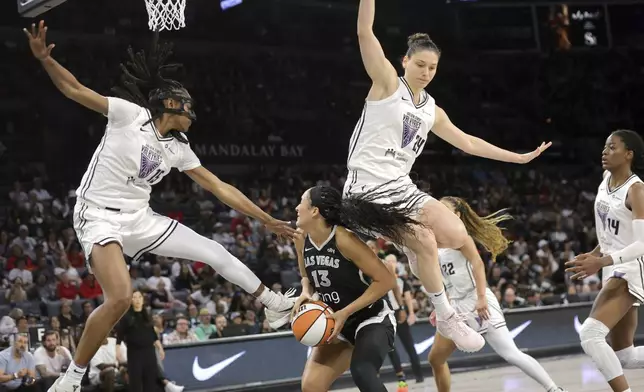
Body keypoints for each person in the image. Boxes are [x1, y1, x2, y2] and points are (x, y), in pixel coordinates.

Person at [23, 21, 297, 392]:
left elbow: (219, 186)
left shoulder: (178, 147)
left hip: (141, 218)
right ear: (171, 103)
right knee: (120, 296)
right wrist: (44, 60)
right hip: (98, 214)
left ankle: (271, 302)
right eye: (188, 106)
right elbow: (73, 89)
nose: (193, 112)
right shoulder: (127, 115)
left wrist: (266, 219)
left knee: (214, 251)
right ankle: (71, 378)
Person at [346, 0, 551, 352]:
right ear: (405, 61)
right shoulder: (385, 84)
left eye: (433, 67)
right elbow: (365, 31)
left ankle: (413, 252)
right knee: (424, 240)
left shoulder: (431, 110)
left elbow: (468, 142)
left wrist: (517, 158)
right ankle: (445, 312)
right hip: (366, 191)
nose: (426, 72)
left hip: (400, 188)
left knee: (456, 233)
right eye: (421, 64)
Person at [427, 196, 567, 392]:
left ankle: (554, 389)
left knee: (511, 354)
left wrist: (482, 297)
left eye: (444, 209)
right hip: (455, 306)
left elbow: (478, 264)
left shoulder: (461, 237)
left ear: (457, 215)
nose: (438, 213)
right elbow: (449, 280)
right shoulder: (436, 242)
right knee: (435, 358)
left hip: (476, 299)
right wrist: (441, 305)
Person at [291, 186, 400, 392]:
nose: (297, 207)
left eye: (302, 202)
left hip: (370, 319)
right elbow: (306, 272)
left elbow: (386, 281)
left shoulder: (344, 239)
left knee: (362, 371)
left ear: (315, 211)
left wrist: (345, 312)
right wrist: (306, 291)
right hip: (335, 323)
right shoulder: (302, 237)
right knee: (311, 386)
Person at [566, 129, 644, 392]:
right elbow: (609, 231)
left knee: (590, 335)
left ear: (629, 155)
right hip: (611, 266)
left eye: (612, 147)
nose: (605, 151)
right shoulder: (605, 180)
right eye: (604, 147)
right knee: (626, 356)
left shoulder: (636, 191)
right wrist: (597, 253)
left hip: (630, 270)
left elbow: (642, 244)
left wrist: (602, 261)